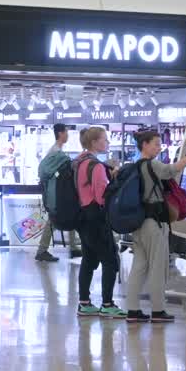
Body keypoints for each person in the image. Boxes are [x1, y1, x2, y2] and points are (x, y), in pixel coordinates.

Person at [123, 131, 186, 323]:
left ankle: (132, 310)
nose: (159, 148)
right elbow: (171, 170)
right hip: (154, 223)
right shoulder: (152, 164)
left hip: (138, 222)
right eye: (156, 144)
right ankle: (158, 310)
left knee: (139, 266)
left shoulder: (135, 166)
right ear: (145, 145)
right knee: (158, 267)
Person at [73, 126, 124, 318]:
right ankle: (108, 304)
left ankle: (84, 302)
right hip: (96, 217)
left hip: (82, 216)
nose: (107, 143)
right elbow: (103, 196)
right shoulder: (96, 166)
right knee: (110, 259)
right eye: (104, 139)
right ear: (94, 142)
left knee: (89, 259)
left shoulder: (78, 161)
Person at [35, 124, 80, 263]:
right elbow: (47, 172)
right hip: (55, 192)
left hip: (57, 191)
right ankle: (42, 251)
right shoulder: (56, 152)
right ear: (60, 133)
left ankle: (73, 247)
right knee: (55, 219)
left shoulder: (58, 151)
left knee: (68, 214)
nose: (67, 135)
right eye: (66, 132)